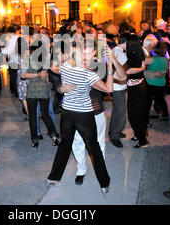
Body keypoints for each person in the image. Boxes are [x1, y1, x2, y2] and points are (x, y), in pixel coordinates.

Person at [47, 39, 113, 194]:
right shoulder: (88, 74)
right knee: (93, 147)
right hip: (84, 115)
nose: (85, 55)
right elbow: (109, 88)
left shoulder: (65, 66)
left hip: (67, 113)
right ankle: (104, 183)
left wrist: (63, 87)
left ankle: (53, 178)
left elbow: (53, 67)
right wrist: (109, 67)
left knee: (65, 144)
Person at [70, 38, 126, 185]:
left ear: (94, 52)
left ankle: (99, 167)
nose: (84, 56)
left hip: (96, 111)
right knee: (77, 142)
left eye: (87, 53)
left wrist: (112, 59)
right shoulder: (73, 63)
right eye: (82, 52)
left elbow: (122, 77)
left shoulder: (101, 65)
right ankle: (81, 170)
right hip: (77, 111)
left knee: (99, 142)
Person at [20, 39, 59, 148]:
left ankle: (34, 140)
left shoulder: (27, 60)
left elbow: (23, 76)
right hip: (44, 92)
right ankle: (54, 136)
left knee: (33, 116)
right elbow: (56, 70)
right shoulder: (46, 60)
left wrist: (36, 75)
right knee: (46, 115)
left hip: (32, 92)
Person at [124, 34, 150, 148]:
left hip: (137, 87)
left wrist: (133, 70)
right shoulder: (138, 52)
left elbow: (129, 71)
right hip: (137, 86)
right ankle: (138, 135)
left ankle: (143, 141)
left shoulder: (135, 54)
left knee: (135, 115)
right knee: (137, 114)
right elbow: (143, 66)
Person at [108, 32, 129, 148]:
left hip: (114, 86)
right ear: (125, 42)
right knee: (121, 114)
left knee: (116, 111)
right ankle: (114, 135)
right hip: (118, 87)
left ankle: (113, 131)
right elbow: (123, 73)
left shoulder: (114, 50)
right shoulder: (121, 55)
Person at [145, 41, 170, 121]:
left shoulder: (150, 59)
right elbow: (164, 73)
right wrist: (156, 74)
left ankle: (146, 114)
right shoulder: (166, 60)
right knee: (161, 99)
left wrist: (150, 74)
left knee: (148, 99)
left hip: (150, 83)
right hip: (161, 83)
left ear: (155, 49)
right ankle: (165, 115)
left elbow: (141, 70)